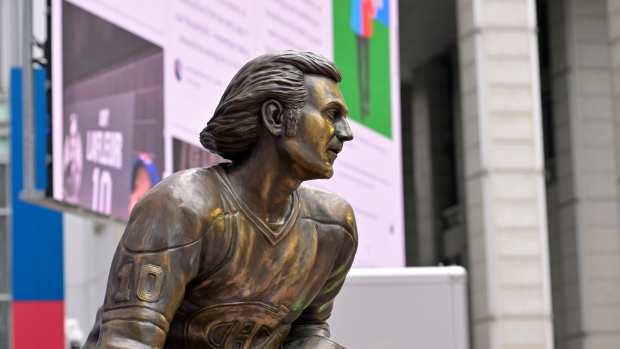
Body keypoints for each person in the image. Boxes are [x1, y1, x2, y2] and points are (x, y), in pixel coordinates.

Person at [83, 51, 356, 349]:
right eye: (332, 115)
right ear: (276, 117)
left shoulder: (333, 227)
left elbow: (309, 330)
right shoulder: (181, 206)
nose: (346, 133)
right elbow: (127, 340)